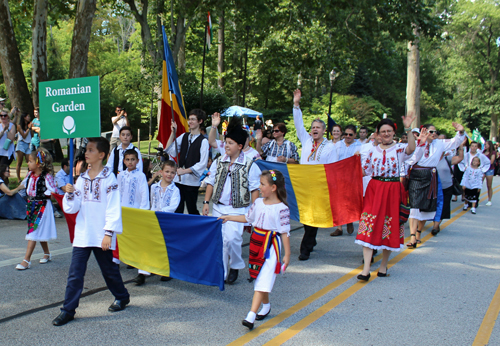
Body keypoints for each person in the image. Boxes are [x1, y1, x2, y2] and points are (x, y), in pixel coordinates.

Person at [52, 137, 129, 326]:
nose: (86, 153)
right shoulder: (81, 179)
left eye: (91, 150)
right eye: (86, 149)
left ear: (101, 155)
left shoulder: (109, 178)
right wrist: (69, 194)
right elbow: (72, 208)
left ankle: (122, 296)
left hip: (102, 234)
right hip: (83, 234)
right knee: (75, 274)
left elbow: (113, 208)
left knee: (109, 271)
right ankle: (68, 310)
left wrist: (108, 233)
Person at [219, 170, 291, 330]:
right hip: (256, 244)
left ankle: (251, 315)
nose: (259, 187)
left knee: (262, 279)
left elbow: (285, 233)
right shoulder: (258, 203)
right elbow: (248, 218)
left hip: (270, 247)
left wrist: (287, 254)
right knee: (260, 278)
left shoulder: (282, 208)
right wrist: (228, 217)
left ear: (273, 188)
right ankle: (266, 306)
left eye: (262, 184)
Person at [355, 116, 423, 280]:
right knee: (368, 224)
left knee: (389, 227)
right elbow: (365, 171)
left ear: (394, 133)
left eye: (389, 131)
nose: (386, 134)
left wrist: (409, 128)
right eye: (383, 131)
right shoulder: (371, 150)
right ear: (378, 134)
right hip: (375, 189)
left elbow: (412, 148)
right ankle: (366, 269)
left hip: (393, 190)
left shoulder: (400, 149)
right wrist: (348, 166)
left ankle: (384, 266)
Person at [202, 117, 261, 284]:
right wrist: (206, 203)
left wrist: (254, 210)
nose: (226, 146)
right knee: (221, 241)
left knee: (233, 239)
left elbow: (254, 189)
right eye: (226, 142)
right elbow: (210, 182)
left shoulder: (250, 165)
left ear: (240, 146)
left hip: (238, 210)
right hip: (219, 208)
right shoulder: (219, 161)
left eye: (230, 143)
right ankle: (222, 273)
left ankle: (235, 265)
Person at [292, 89, 337, 260]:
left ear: (324, 131)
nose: (314, 129)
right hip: (304, 184)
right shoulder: (306, 140)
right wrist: (296, 104)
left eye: (318, 127)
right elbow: (298, 124)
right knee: (305, 216)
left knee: (313, 217)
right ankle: (311, 240)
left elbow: (332, 168)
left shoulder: (330, 147)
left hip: (319, 185)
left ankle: (306, 248)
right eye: (313, 127)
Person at [406, 123, 465, 248]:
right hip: (417, 174)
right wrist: (421, 143)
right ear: (424, 131)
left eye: (435, 132)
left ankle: (418, 233)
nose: (434, 134)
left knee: (426, 206)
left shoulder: (440, 143)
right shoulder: (416, 143)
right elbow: (411, 159)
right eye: (431, 132)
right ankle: (412, 237)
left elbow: (455, 142)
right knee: (415, 206)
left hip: (431, 175)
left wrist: (460, 132)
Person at [15, 149, 57, 270]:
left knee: (33, 231)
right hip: (31, 206)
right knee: (37, 230)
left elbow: (53, 190)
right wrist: (13, 191)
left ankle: (26, 260)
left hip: (42, 207)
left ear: (38, 163)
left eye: (30, 161)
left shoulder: (46, 177)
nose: (28, 163)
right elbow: (23, 185)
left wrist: (48, 193)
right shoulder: (29, 175)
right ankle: (47, 253)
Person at [142, 160, 181, 285]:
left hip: (167, 220)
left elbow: (173, 205)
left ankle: (166, 270)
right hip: (154, 219)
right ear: (161, 172)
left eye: (172, 173)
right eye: (167, 172)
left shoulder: (175, 190)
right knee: (150, 243)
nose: (169, 175)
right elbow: (152, 201)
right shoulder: (154, 187)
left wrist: (161, 211)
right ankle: (144, 271)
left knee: (165, 245)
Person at [165, 109, 209, 215]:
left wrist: (184, 171)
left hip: (191, 182)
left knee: (192, 209)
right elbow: (169, 150)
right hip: (178, 180)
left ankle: (195, 230)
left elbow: (202, 163)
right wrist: (173, 133)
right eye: (189, 119)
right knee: (177, 208)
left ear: (200, 121)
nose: (190, 122)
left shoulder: (203, 141)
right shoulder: (184, 136)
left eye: (193, 119)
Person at [331, 124, 362, 236]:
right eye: (346, 134)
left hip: (351, 177)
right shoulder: (338, 145)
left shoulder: (360, 146)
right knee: (338, 202)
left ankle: (349, 220)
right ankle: (339, 227)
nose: (348, 136)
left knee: (349, 201)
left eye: (350, 134)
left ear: (355, 135)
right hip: (338, 176)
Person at [430, 142, 464, 235]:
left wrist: (460, 146)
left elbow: (460, 158)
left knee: (443, 206)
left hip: (447, 187)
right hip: (433, 187)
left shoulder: (447, 159)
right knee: (433, 207)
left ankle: (436, 226)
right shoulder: (430, 159)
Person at [15, 112, 32, 182]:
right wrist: (28, 128)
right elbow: (24, 136)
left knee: (30, 162)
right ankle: (19, 178)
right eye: (28, 116)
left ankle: (29, 176)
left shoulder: (28, 126)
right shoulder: (19, 126)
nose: (29, 117)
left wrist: (31, 129)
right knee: (19, 162)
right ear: (24, 117)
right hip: (21, 144)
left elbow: (32, 135)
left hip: (28, 144)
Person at [482, 140, 496, 206]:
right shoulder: (483, 152)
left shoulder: (493, 152)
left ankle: (489, 200)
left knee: (489, 185)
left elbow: (491, 161)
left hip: (490, 169)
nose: (485, 145)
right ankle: (475, 198)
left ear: (490, 145)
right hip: (482, 169)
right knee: (479, 183)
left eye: (486, 144)